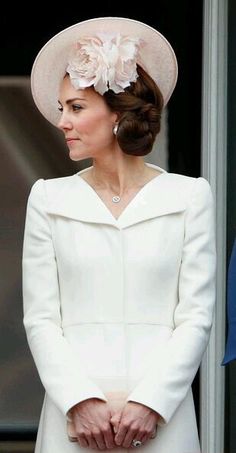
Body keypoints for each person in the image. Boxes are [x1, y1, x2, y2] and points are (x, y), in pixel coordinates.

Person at [22, 16, 216, 453]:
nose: (63, 122)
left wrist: (150, 404)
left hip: (162, 421)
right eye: (62, 109)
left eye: (75, 107)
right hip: (73, 420)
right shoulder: (49, 198)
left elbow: (195, 317)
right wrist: (80, 400)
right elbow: (40, 318)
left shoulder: (188, 196)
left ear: (117, 113)